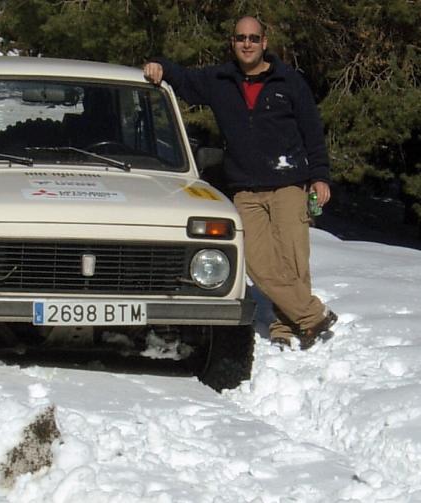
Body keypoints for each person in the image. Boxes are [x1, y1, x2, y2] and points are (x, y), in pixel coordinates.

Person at [144, 16, 337, 350]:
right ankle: (312, 315)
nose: (247, 43)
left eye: (253, 38)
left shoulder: (289, 81)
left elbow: (312, 131)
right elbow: (182, 78)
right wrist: (158, 64)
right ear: (232, 43)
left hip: (289, 181)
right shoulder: (219, 80)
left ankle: (284, 325)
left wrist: (319, 176)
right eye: (240, 38)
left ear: (265, 42)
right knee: (258, 264)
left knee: (293, 260)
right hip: (245, 189)